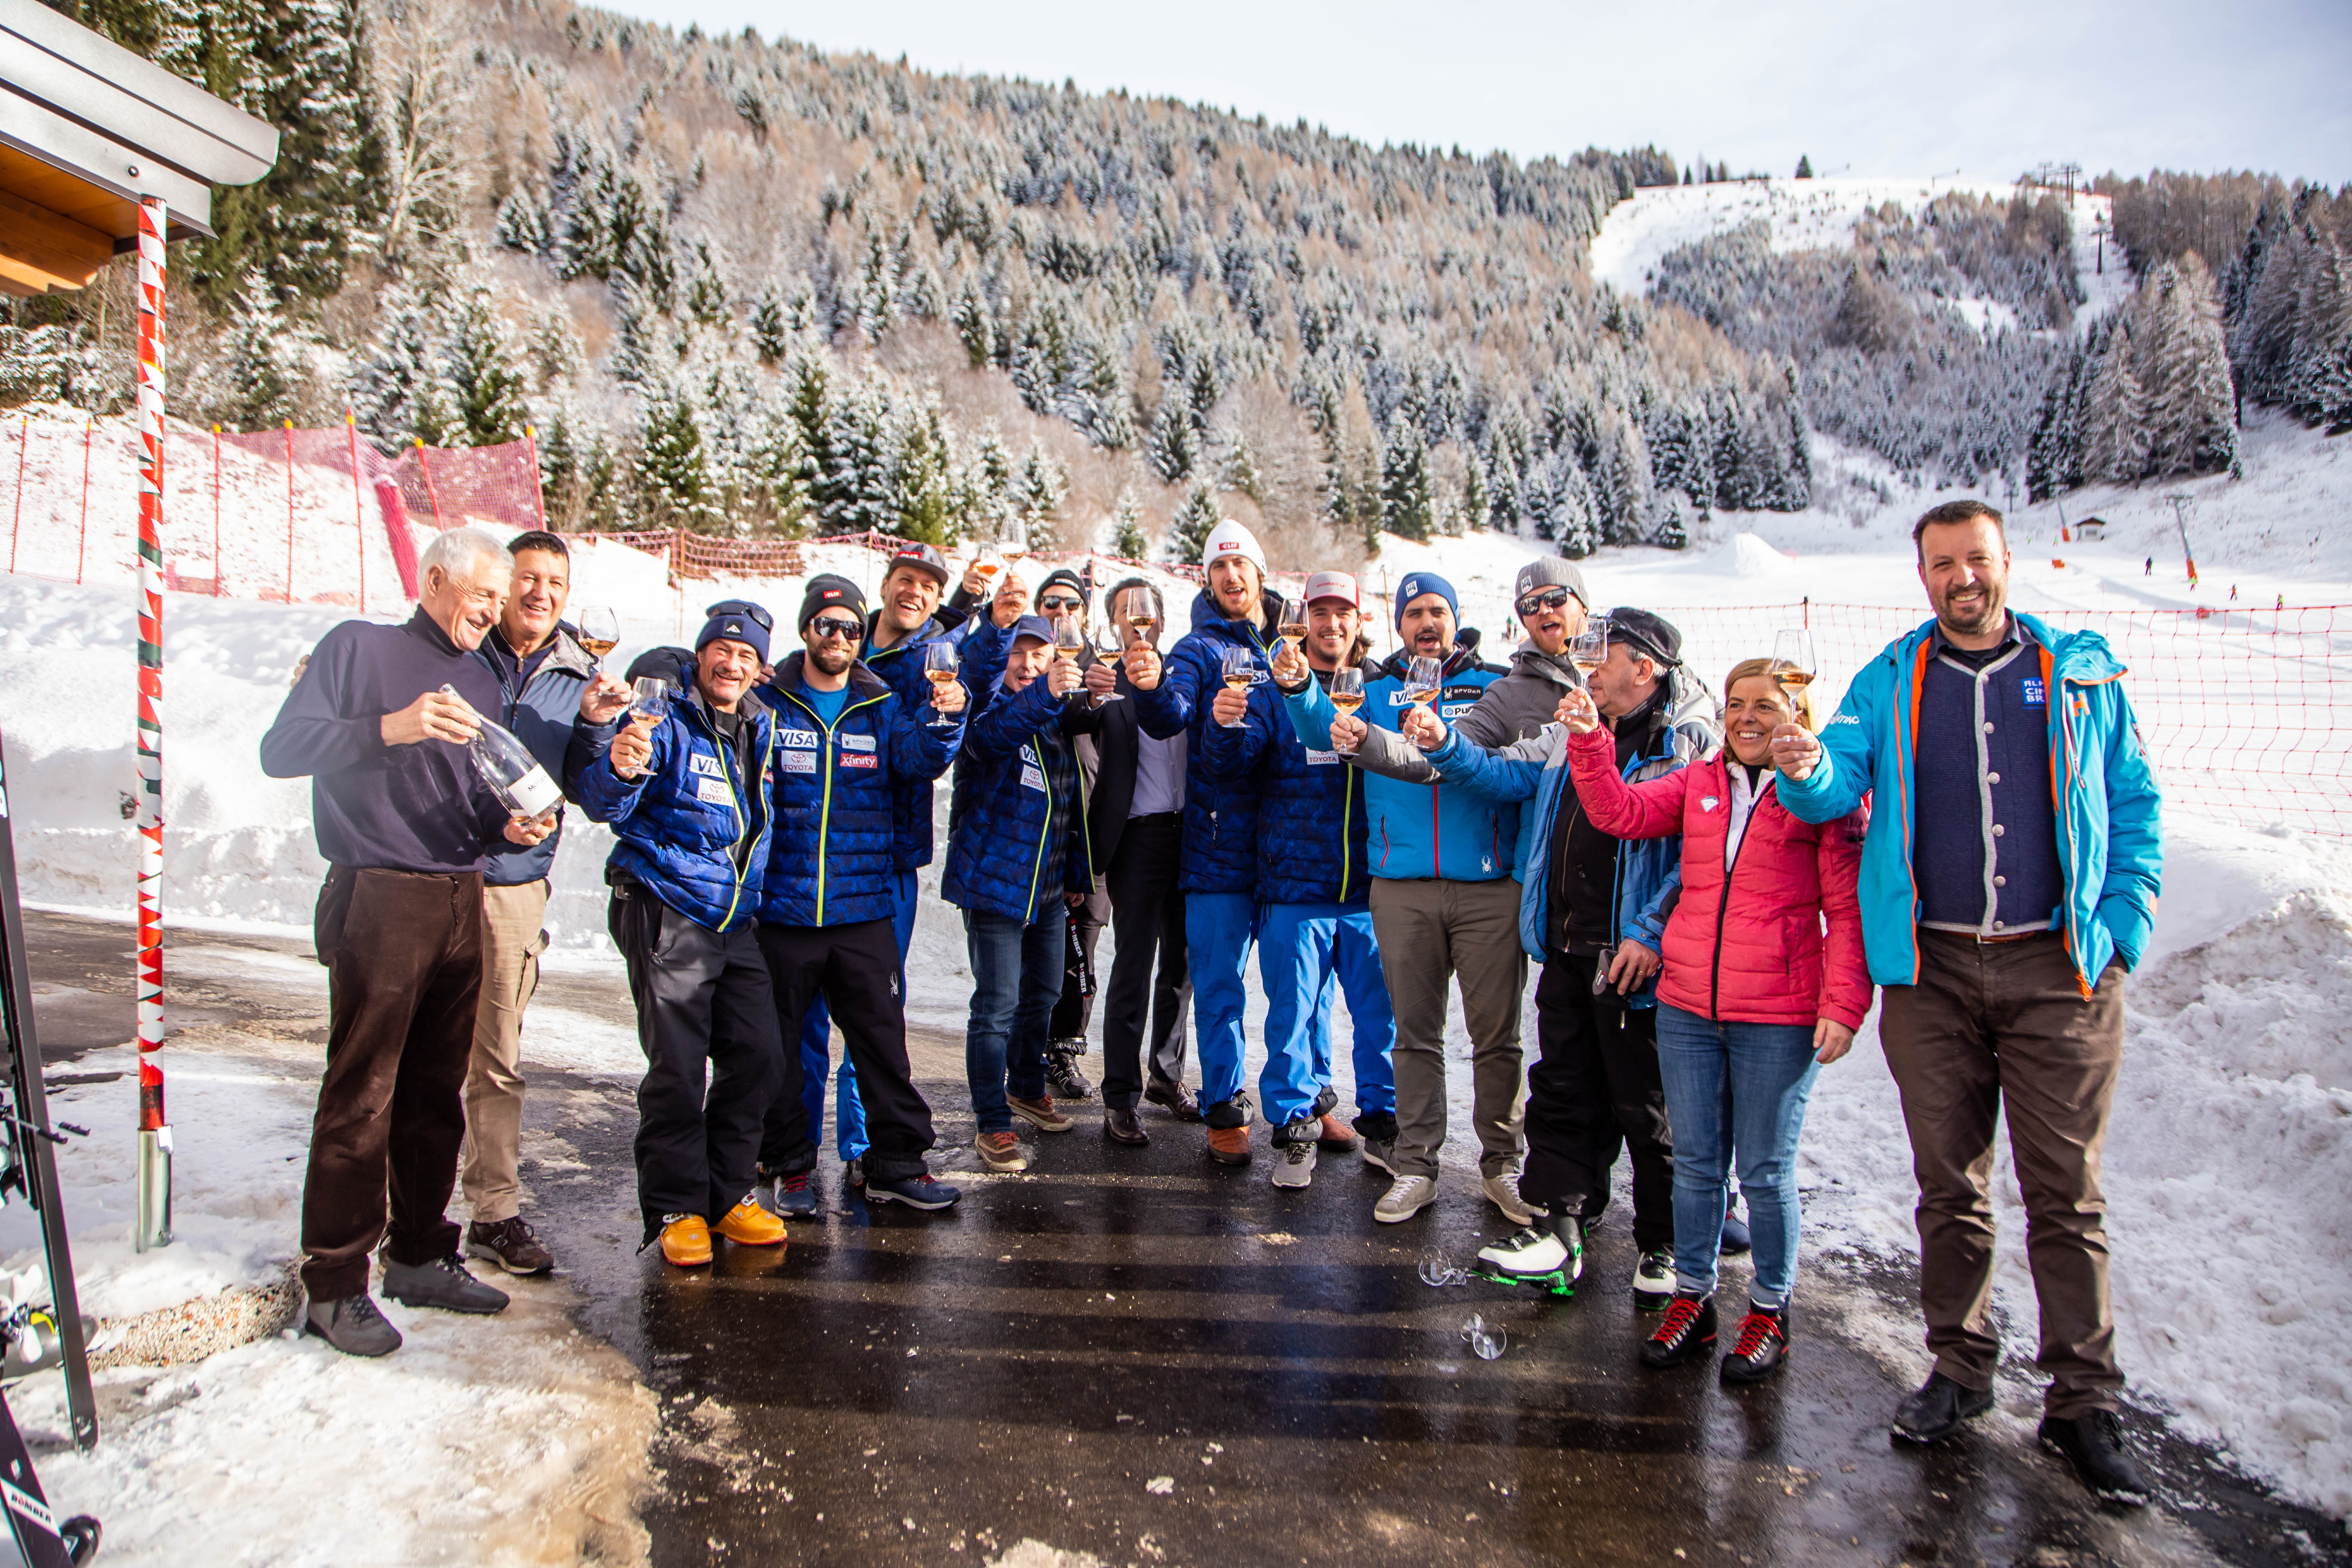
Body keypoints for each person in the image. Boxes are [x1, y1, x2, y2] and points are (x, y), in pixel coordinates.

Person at [1772, 499, 2163, 1504]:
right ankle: (1958, 1366)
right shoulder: (1886, 681)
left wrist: (2119, 926)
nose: (1961, 578)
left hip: (2054, 971)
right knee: (1949, 1184)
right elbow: (1828, 793)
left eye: (1975, 560)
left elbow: (2132, 805)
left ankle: (2080, 1400)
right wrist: (1804, 761)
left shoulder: (2072, 675)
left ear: (2003, 563)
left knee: (2063, 1193)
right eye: (1942, 563)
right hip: (1933, 973)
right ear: (1922, 575)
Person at [1547, 661, 1869, 1381]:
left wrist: (1842, 1004)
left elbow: (1845, 911)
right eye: (1735, 704)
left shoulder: (1823, 798)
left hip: (1778, 1012)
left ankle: (1769, 1309)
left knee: (1762, 1169)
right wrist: (1590, 739)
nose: (1747, 718)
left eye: (1766, 706)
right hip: (1689, 1003)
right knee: (1694, 1164)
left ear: (1798, 715)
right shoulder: (1701, 782)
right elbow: (1619, 812)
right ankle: (1693, 1297)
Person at [260, 526, 539, 1356]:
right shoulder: (359, 648)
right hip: (378, 890)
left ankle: (420, 1251)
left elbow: (475, 793)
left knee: (433, 1091)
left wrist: (509, 823)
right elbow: (283, 749)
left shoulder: (482, 679)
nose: (493, 611)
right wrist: (391, 726)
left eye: (501, 598)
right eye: (482, 594)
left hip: (462, 890)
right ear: (433, 581)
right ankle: (336, 1283)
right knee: (364, 1091)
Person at [1409, 605, 1713, 1295]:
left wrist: (1650, 934)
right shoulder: (1576, 725)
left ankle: (1666, 1244)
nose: (1586, 666)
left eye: (1601, 656)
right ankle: (1560, 1229)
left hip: (1635, 956)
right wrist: (1443, 746)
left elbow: (1694, 859)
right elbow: (1507, 775)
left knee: (1648, 1104)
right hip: (1568, 940)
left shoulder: (1689, 738)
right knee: (1565, 1090)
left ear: (1645, 667)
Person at [1283, 570, 1522, 1223]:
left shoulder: (1493, 687)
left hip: (1487, 887)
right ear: (1398, 624)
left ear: (1456, 617)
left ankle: (1503, 1164)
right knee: (1414, 1038)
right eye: (1414, 612)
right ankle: (1417, 1165)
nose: (1426, 623)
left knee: (1496, 1038)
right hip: (1401, 888)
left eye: (1437, 611)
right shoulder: (1378, 689)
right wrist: (1298, 683)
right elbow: (1321, 728)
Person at [574, 600, 791, 1268]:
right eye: (721, 651)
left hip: (734, 919)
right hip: (667, 908)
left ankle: (727, 1193)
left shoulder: (758, 725)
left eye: (746, 655)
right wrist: (620, 762)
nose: (731, 663)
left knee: (758, 1057)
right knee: (676, 1067)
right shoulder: (666, 718)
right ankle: (675, 1206)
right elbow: (603, 801)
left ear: (758, 669)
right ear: (700, 657)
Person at [751, 577, 965, 1212]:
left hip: (863, 908)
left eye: (849, 627)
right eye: (826, 625)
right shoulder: (770, 701)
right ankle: (790, 1167)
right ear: (806, 631)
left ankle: (896, 1163)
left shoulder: (880, 704)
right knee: (783, 1049)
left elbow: (922, 757)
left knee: (880, 1044)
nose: (839, 637)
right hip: (786, 908)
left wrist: (948, 712)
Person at [459, 530, 601, 1278]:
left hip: (513, 882)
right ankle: (393, 1207)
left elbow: (591, 788)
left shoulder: (580, 675)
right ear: (499, 584)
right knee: (407, 1050)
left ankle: (493, 1210)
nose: (540, 591)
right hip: (428, 872)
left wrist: (609, 733)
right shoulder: (458, 651)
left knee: (497, 1057)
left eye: (554, 580)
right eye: (527, 577)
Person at [1226, 570, 1393, 1186]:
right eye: (1318, 614)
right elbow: (1237, 770)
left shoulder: (1380, 690)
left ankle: (1384, 1127)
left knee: (1381, 1019)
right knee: (1293, 1015)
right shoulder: (1275, 689)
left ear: (1358, 620)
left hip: (1371, 887)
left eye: (1341, 613)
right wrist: (1228, 725)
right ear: (1303, 623)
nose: (1330, 625)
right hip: (1295, 883)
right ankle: (1295, 1130)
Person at [1127, 519, 1282, 1163]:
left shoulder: (1287, 647)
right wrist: (1150, 687)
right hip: (1218, 850)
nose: (1232, 577)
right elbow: (1171, 714)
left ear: (1260, 577)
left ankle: (1313, 1098)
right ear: (1208, 580)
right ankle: (1224, 1107)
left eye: (1241, 565)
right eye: (1220, 568)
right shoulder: (1194, 650)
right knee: (1218, 989)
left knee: (1304, 993)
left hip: (1288, 849)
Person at [943, 614, 1099, 1172]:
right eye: (1017, 653)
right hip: (994, 889)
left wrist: (1077, 879)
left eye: (1040, 655)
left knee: (1046, 995)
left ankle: (1027, 1087)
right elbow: (990, 740)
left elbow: (1068, 809)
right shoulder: (984, 713)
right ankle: (992, 1121)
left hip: (1050, 890)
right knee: (996, 1008)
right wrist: (1044, 693)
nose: (1028, 664)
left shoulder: (1056, 719)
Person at [1087, 578, 1199, 1143]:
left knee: (1180, 969)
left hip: (1192, 839)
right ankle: (1120, 1096)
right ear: (1112, 622)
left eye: (1148, 612)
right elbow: (1073, 722)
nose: (1139, 621)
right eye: (1127, 613)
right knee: (1132, 967)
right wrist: (1087, 694)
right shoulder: (1105, 680)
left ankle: (1166, 1075)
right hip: (1137, 839)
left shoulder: (1187, 671)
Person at [1035, 565, 1112, 1102]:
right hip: (1041, 834)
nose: (1060, 612)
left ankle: (1065, 1046)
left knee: (1083, 946)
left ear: (1085, 614)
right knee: (1039, 953)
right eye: (1051, 603)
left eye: (1070, 604)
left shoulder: (1102, 672)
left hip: (1097, 834)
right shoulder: (1029, 666)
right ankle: (1029, 1050)